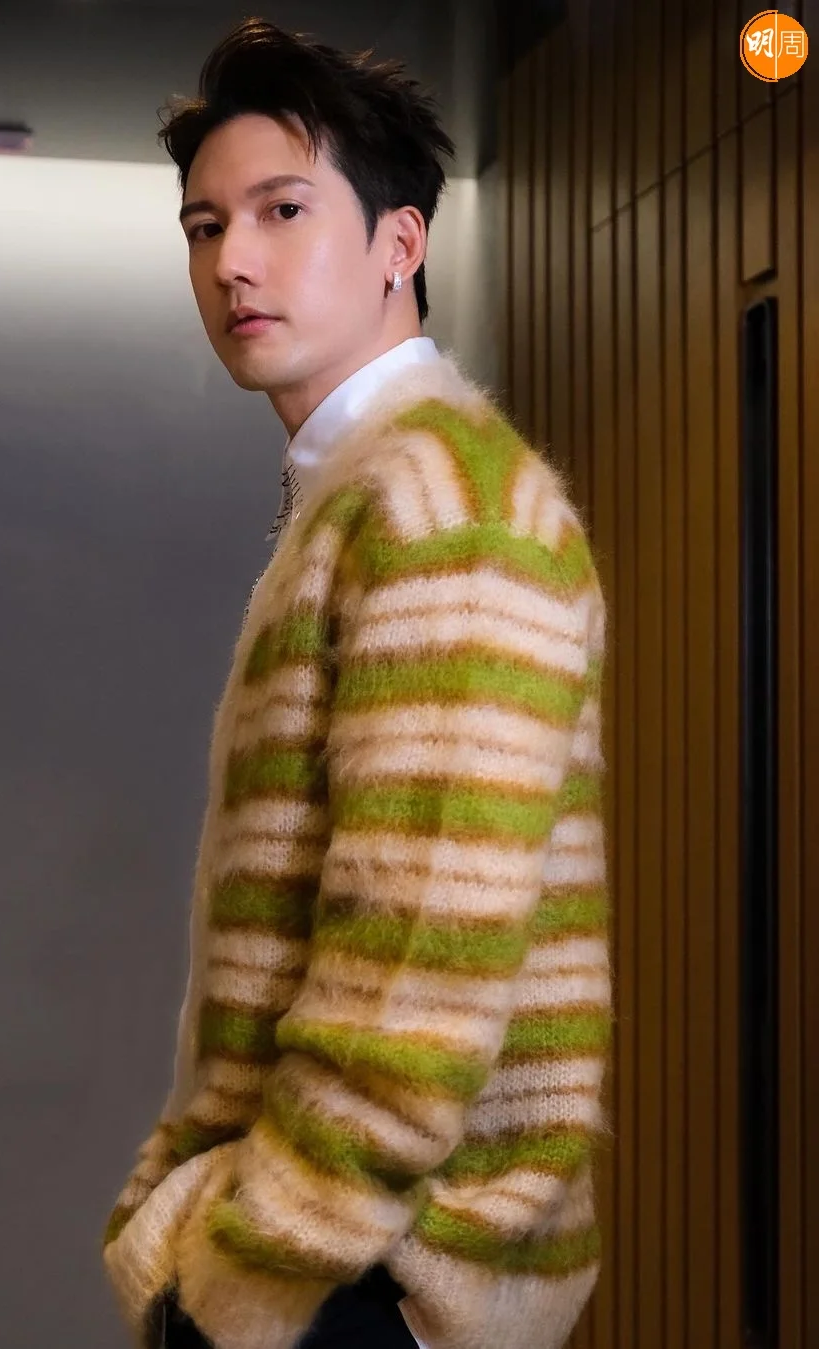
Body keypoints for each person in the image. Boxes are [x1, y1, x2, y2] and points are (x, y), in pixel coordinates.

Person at [100, 17, 611, 1349]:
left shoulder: (443, 504)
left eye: (283, 210)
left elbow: (426, 956)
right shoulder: (373, 485)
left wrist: (256, 1262)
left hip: (376, 1278)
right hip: (341, 1260)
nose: (233, 260)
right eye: (205, 225)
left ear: (400, 243)